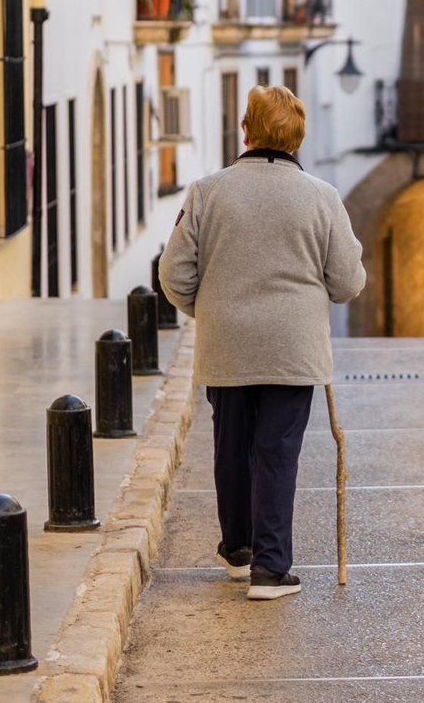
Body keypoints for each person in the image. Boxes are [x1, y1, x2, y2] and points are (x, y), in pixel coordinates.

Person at [158, 85, 366, 600]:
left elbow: (174, 273)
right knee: (276, 450)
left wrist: (208, 309)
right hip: (293, 347)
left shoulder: (207, 191)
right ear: (297, 137)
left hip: (225, 341)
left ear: (245, 130)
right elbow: (347, 282)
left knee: (232, 445)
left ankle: (238, 550)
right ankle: (271, 571)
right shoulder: (322, 197)